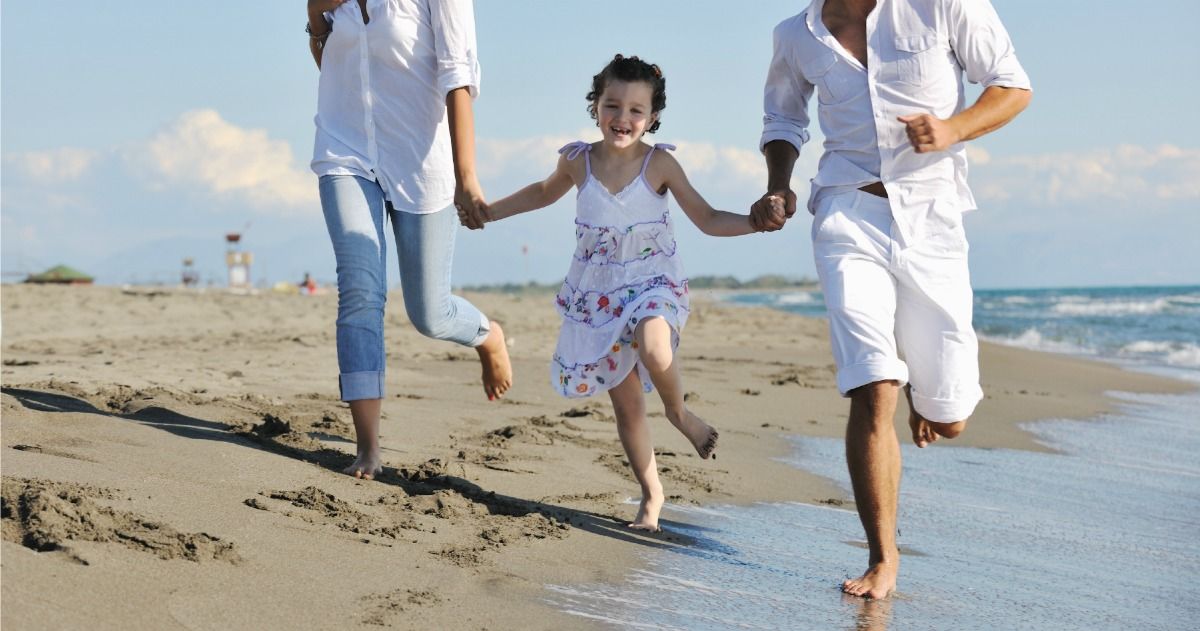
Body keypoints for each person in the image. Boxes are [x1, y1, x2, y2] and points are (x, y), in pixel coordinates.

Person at [751, 0, 1031, 599]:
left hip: (932, 216)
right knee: (872, 384)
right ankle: (883, 558)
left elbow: (1012, 86)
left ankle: (918, 377)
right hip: (847, 210)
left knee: (950, 419)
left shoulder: (945, 6)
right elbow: (783, 119)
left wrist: (953, 128)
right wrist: (779, 185)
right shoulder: (795, 36)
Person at [460, 55, 782, 532]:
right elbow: (539, 193)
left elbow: (709, 219)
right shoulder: (577, 161)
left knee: (655, 346)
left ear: (653, 117)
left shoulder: (661, 164)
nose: (623, 118)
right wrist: (489, 212)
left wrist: (754, 224)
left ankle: (678, 412)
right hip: (600, 297)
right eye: (613, 105)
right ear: (595, 107)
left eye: (636, 110)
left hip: (654, 285)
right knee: (628, 406)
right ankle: (651, 497)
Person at [306, 0, 512, 480]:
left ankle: (488, 334)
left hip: (421, 162)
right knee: (360, 288)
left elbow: (458, 77)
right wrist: (317, 14)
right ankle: (368, 448)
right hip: (344, 148)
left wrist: (467, 177)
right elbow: (332, 64)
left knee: (429, 313)